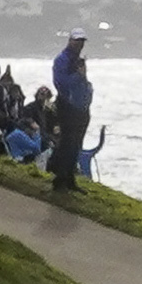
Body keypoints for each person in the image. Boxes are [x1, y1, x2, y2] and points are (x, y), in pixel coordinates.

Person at [48, 32, 95, 196]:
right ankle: (59, 178)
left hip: (81, 107)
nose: (80, 44)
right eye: (77, 41)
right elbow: (61, 83)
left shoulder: (77, 60)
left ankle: (69, 178)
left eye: (82, 41)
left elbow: (82, 82)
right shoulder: (62, 59)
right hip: (68, 107)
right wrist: (78, 76)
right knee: (68, 142)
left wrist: (88, 89)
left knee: (76, 144)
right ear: (70, 41)